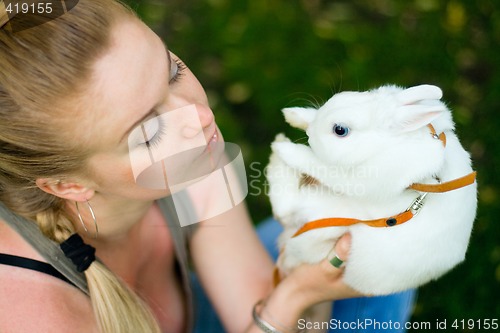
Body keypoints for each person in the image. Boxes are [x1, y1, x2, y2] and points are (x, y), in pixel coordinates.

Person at [0, 1, 414, 332]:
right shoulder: (36, 313)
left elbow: (257, 311)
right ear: (68, 185)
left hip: (214, 315)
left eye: (172, 71)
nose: (198, 117)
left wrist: (312, 270)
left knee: (380, 235)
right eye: (148, 134)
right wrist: (293, 298)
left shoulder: (193, 160)